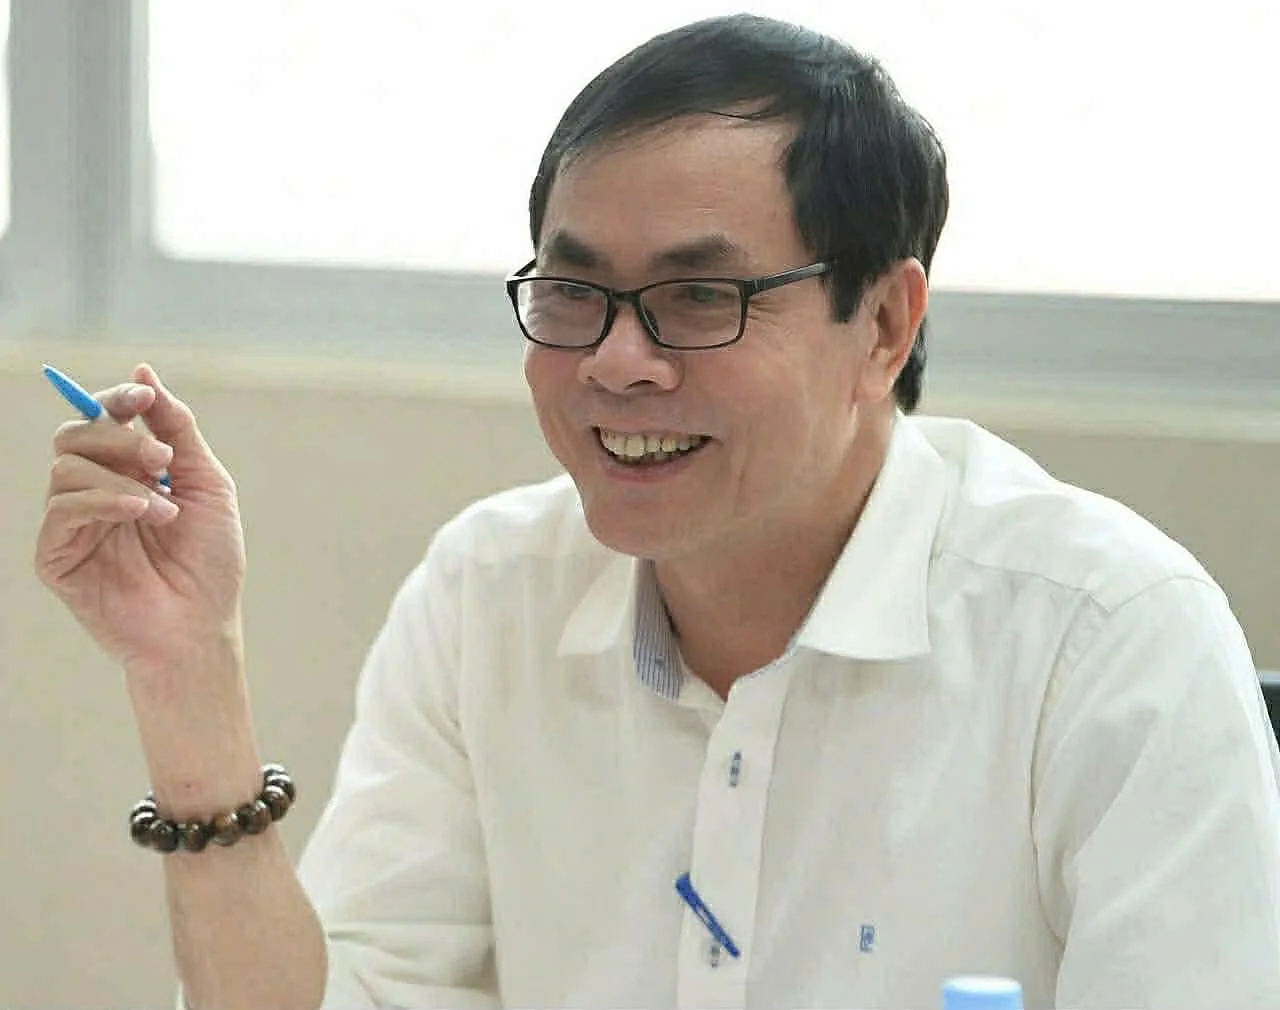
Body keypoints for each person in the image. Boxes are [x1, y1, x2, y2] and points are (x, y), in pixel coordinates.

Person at [34, 13, 1280, 1010]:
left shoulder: (1106, 636)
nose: (616, 360)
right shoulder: (488, 593)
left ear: (883, 324)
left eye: (699, 299)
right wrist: (186, 671)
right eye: (572, 291)